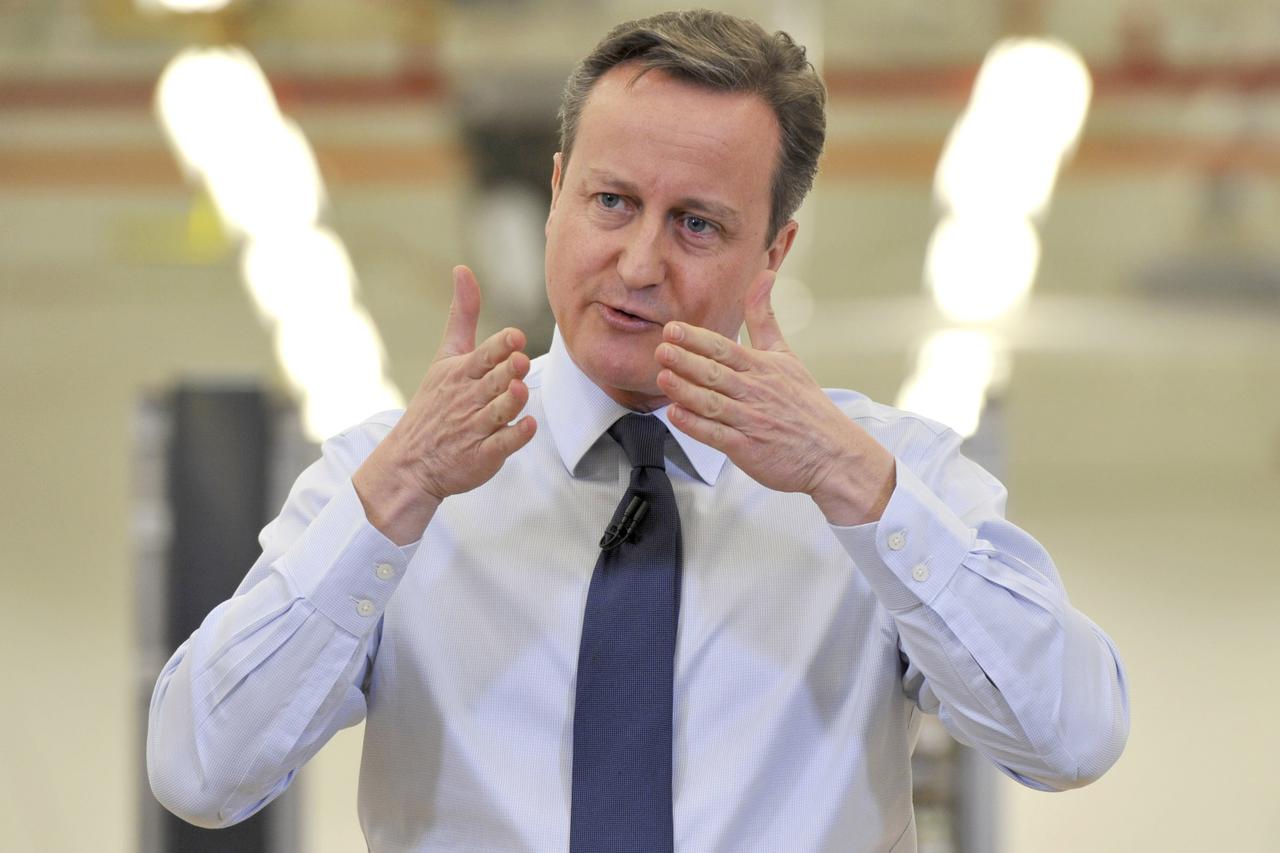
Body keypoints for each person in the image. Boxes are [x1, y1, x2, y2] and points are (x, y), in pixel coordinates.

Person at [147, 10, 1129, 852]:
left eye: (695, 224)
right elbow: (199, 768)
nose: (637, 262)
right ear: (556, 192)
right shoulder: (392, 473)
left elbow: (1070, 736)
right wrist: (391, 500)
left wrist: (849, 480)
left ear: (772, 249)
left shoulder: (888, 473)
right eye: (610, 202)